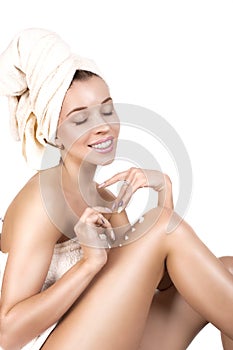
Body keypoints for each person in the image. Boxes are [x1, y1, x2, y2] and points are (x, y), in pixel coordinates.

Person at [0, 28, 233, 350]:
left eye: (107, 110)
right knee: (160, 226)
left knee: (227, 268)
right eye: (80, 119)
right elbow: (7, 335)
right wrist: (88, 265)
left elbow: (163, 282)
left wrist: (163, 193)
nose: (103, 126)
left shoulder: (106, 199)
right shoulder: (42, 199)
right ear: (53, 133)